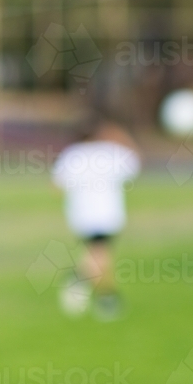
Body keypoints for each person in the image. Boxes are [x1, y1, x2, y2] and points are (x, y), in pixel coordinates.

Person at [51, 120, 141, 321]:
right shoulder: (111, 152)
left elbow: (57, 186)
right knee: (100, 255)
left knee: (97, 254)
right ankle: (104, 297)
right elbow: (134, 164)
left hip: (81, 215)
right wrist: (122, 137)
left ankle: (85, 285)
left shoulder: (72, 155)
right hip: (108, 214)